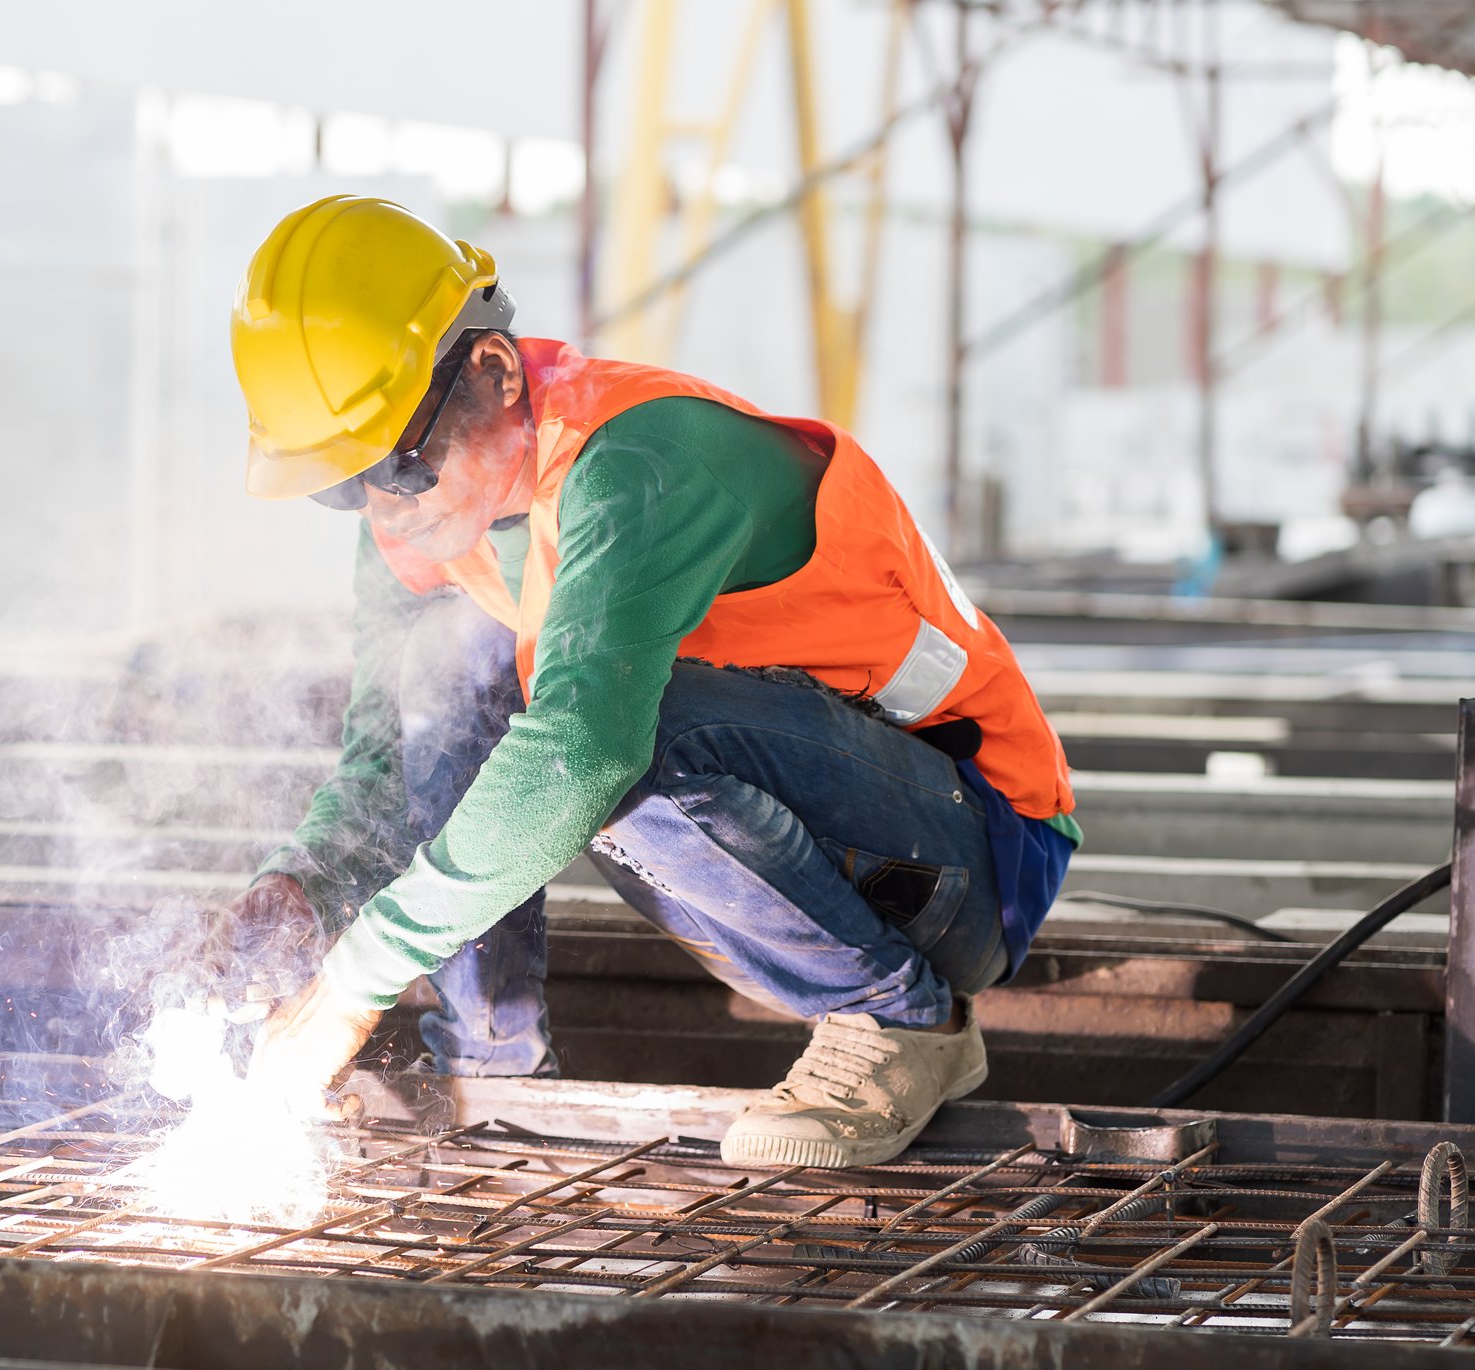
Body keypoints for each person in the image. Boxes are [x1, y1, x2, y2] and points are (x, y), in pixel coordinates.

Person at [210, 196, 1079, 1168]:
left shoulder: (637, 462)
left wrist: (351, 985)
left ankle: (898, 1021)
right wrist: (301, 887)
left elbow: (586, 745)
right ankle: (493, 1064)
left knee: (612, 741)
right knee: (448, 675)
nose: (379, 506)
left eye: (399, 469)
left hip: (965, 855)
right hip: (803, 822)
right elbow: (383, 766)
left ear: (493, 373)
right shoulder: (420, 536)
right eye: (342, 482)